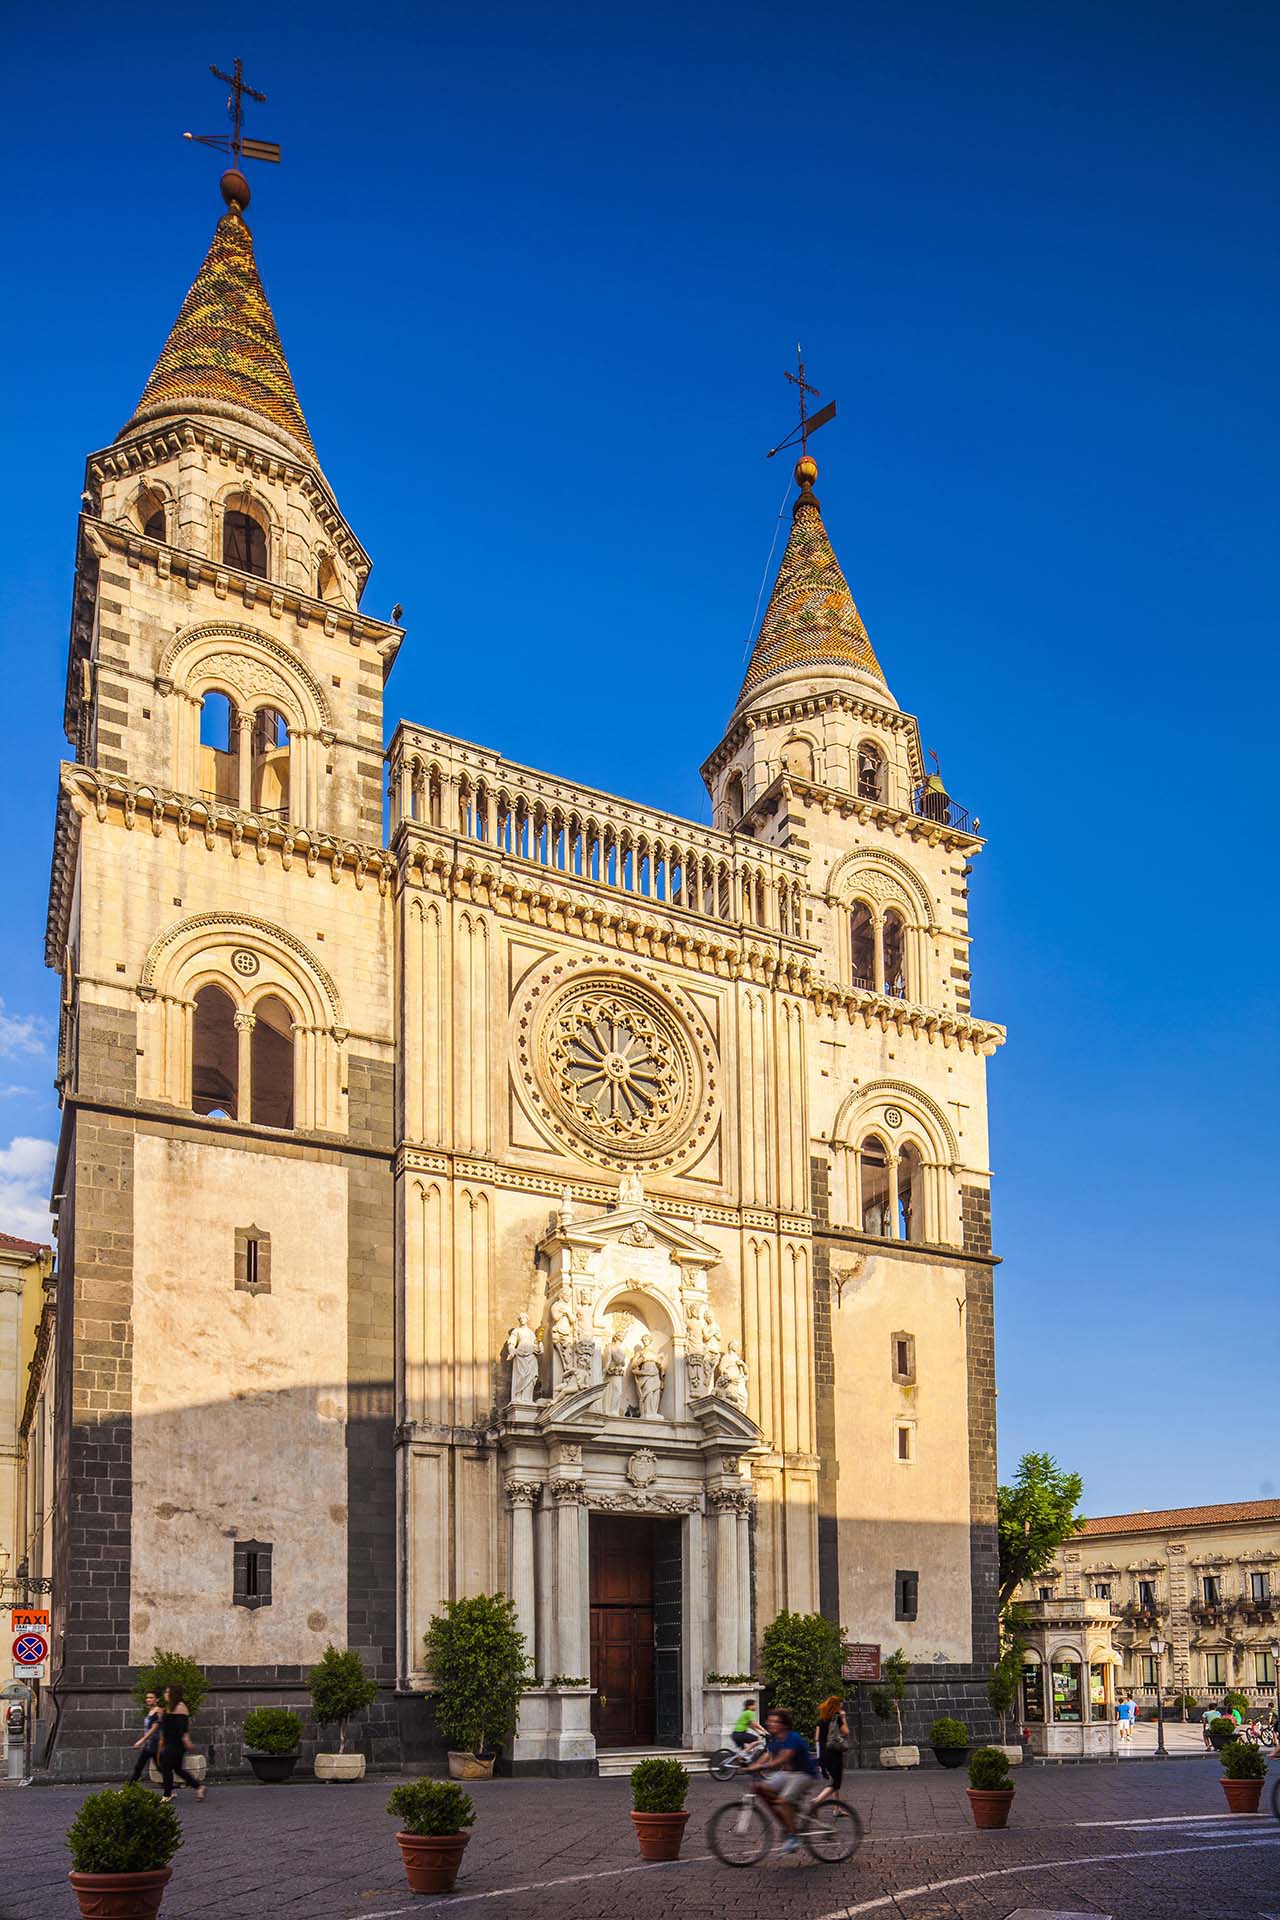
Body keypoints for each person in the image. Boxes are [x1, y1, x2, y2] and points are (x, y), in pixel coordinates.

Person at [745, 1707, 820, 1852]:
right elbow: (767, 1755)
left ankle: (793, 1838)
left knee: (784, 1800)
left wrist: (762, 1766)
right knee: (763, 1787)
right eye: (770, 1721)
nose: (771, 1724)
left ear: (784, 1724)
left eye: (775, 1722)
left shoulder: (793, 1737)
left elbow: (783, 1757)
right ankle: (791, 1809)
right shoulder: (775, 1739)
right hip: (787, 1774)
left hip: (804, 1774)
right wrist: (750, 1766)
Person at [157, 1684, 206, 1801]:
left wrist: (186, 1740)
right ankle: (199, 1787)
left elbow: (183, 1727)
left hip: (176, 1743)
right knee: (177, 1769)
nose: (165, 1694)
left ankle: (167, 1794)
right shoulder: (168, 1707)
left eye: (167, 1692)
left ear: (173, 1694)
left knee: (166, 1767)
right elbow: (164, 1727)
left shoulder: (181, 1707)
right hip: (168, 1742)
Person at [815, 1693, 850, 1794]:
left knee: (834, 1780)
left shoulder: (820, 1721)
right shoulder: (837, 1719)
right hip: (834, 1752)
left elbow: (817, 1738)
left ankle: (837, 1807)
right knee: (836, 1783)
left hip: (824, 1752)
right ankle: (818, 1800)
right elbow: (846, 1732)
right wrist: (843, 1718)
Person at [128, 1691, 162, 1784]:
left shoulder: (159, 1711)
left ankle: (170, 1789)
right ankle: (130, 1788)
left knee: (160, 1768)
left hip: (155, 1744)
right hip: (149, 1744)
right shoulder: (150, 1711)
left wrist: (141, 1740)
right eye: (147, 1698)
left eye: (151, 1697)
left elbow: (154, 1728)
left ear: (157, 1699)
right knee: (139, 1766)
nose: (148, 1699)